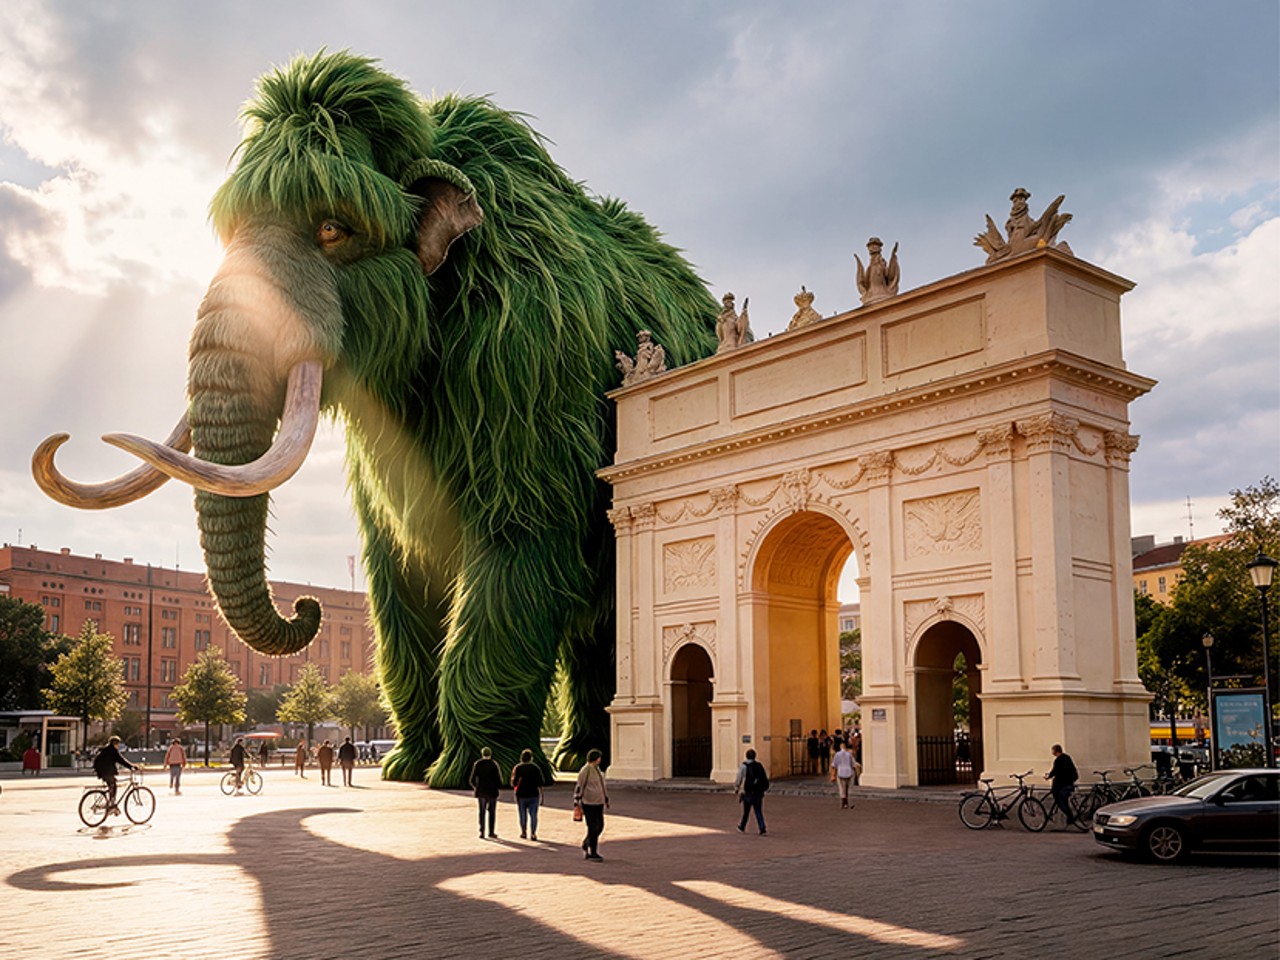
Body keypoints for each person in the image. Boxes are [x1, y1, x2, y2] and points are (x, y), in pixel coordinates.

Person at [574, 748, 609, 861]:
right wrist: (577, 800)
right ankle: (592, 851)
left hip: (599, 802)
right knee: (593, 827)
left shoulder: (597, 769)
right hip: (588, 802)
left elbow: (602, 786)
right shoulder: (585, 770)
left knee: (600, 825)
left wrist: (606, 798)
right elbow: (580, 786)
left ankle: (587, 843)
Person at [93, 735, 135, 812]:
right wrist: (132, 767)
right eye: (118, 744)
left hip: (103, 770)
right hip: (105, 771)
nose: (118, 746)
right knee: (113, 785)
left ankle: (112, 804)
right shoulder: (112, 751)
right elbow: (121, 760)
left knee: (112, 785)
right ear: (115, 743)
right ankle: (112, 804)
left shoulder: (107, 749)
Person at [511, 748, 545, 840]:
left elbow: (514, 783)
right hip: (533, 794)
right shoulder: (535, 768)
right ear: (531, 758)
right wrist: (542, 796)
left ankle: (523, 832)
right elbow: (540, 783)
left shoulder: (518, 768)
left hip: (521, 794)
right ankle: (533, 833)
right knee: (533, 815)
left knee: (522, 814)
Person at [469, 747, 502, 839]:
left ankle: (482, 831)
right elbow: (499, 780)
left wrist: (477, 787)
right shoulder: (494, 764)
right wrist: (497, 787)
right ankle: (491, 832)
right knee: (492, 812)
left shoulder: (478, 764)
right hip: (492, 792)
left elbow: (471, 779)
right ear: (490, 754)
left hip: (481, 792)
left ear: (482, 753)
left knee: (482, 812)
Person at [734, 748, 768, 835]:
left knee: (746, 811)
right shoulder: (759, 766)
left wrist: (736, 788)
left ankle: (742, 826)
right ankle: (762, 828)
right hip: (758, 792)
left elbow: (739, 778)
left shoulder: (744, 766)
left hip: (748, 792)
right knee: (758, 811)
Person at [1044, 743, 1078, 825]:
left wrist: (1048, 777)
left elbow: (1055, 771)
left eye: (1053, 751)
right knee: (1064, 801)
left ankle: (1070, 817)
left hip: (1062, 784)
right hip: (1069, 783)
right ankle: (1069, 819)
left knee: (1060, 801)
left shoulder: (1058, 760)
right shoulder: (1067, 757)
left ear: (1055, 751)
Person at [831, 739, 857, 809]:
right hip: (849, 772)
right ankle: (847, 802)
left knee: (842, 788)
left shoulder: (837, 754)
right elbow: (854, 765)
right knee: (847, 788)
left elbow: (834, 765)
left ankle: (844, 803)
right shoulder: (849, 754)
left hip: (841, 772)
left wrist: (833, 775)